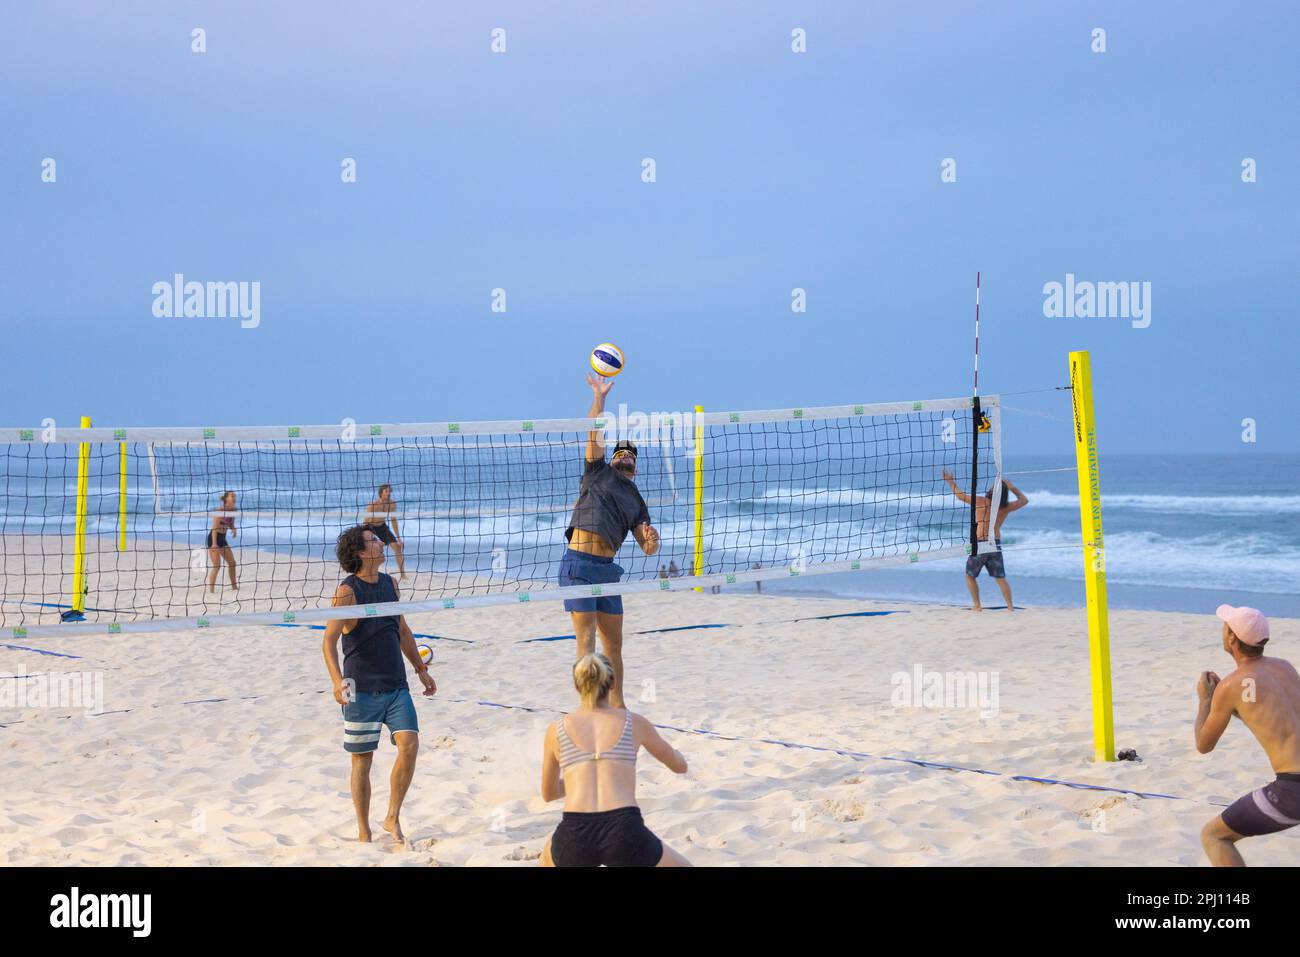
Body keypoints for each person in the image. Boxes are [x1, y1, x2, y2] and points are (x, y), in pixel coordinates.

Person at [321, 525, 437, 844]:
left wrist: (420, 669)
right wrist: (336, 681)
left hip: (396, 684)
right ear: (360, 553)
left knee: (410, 746)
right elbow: (329, 641)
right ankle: (363, 831)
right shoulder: (347, 591)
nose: (382, 543)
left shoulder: (391, 584)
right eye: (374, 541)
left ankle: (392, 817)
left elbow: (402, 629)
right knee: (363, 760)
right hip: (360, 688)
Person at [559, 373, 661, 708]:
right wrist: (600, 398)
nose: (624, 457)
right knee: (585, 639)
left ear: (635, 467)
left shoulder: (636, 500)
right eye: (620, 453)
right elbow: (594, 430)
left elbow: (648, 549)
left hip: (607, 571)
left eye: (630, 456)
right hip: (579, 565)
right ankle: (588, 707)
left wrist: (652, 540)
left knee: (613, 645)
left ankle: (618, 707)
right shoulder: (597, 471)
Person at [539, 652, 691, 867]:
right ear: (612, 684)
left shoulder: (556, 729)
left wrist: (578, 780)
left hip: (575, 834)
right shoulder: (635, 723)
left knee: (548, 854)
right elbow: (679, 767)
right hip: (624, 832)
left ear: (576, 686)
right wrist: (679, 757)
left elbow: (549, 793)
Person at [1195, 605, 1300, 866]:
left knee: (1213, 836)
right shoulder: (1285, 668)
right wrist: (1232, 706)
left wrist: (1206, 700)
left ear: (1232, 638)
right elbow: (1273, 716)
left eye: (1225, 626)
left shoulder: (1231, 684)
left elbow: (1203, 745)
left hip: (1293, 790)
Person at [942, 470, 1028, 611]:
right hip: (995, 544)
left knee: (970, 575)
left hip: (981, 544)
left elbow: (960, 496)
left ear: (991, 491)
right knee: (1000, 578)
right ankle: (1010, 607)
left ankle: (977, 606)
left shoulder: (981, 501)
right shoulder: (1005, 507)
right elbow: (1024, 500)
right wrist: (1012, 487)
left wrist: (950, 481)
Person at [365, 483, 406, 580]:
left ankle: (403, 575)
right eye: (386, 491)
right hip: (371, 527)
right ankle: (371, 572)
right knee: (373, 551)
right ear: (381, 493)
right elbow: (365, 521)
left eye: (389, 491)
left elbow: (393, 520)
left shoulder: (391, 504)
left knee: (397, 548)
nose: (388, 493)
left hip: (383, 527)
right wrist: (366, 534)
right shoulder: (373, 505)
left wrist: (399, 539)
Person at [206, 490, 238, 593]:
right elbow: (214, 529)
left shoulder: (233, 511)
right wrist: (214, 544)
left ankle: (234, 587)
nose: (232, 503)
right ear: (225, 502)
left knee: (232, 563)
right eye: (230, 501)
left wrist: (233, 528)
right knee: (217, 565)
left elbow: (230, 523)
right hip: (214, 538)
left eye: (233, 501)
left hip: (223, 538)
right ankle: (211, 590)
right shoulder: (219, 511)